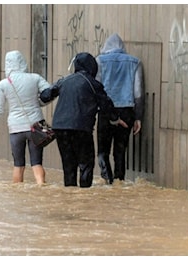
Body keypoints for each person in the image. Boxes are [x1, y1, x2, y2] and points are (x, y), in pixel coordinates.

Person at [40, 52, 125, 188]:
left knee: (69, 165)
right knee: (86, 164)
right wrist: (115, 119)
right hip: (81, 129)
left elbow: (45, 95)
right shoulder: (93, 84)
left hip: (60, 129)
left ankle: (71, 196)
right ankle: (84, 195)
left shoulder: (64, 81)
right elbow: (106, 104)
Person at [0, 50, 51, 185]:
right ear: (23, 62)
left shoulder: (4, 84)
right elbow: (50, 93)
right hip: (35, 127)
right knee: (36, 163)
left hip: (15, 129)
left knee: (18, 165)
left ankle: (17, 192)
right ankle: (42, 188)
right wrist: (39, 103)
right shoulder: (35, 78)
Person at [95, 33, 145, 184]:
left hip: (105, 111)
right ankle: (119, 181)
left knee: (103, 151)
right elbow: (138, 93)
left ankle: (108, 180)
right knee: (120, 150)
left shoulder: (99, 61)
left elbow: (96, 87)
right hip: (127, 111)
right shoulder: (135, 62)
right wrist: (138, 117)